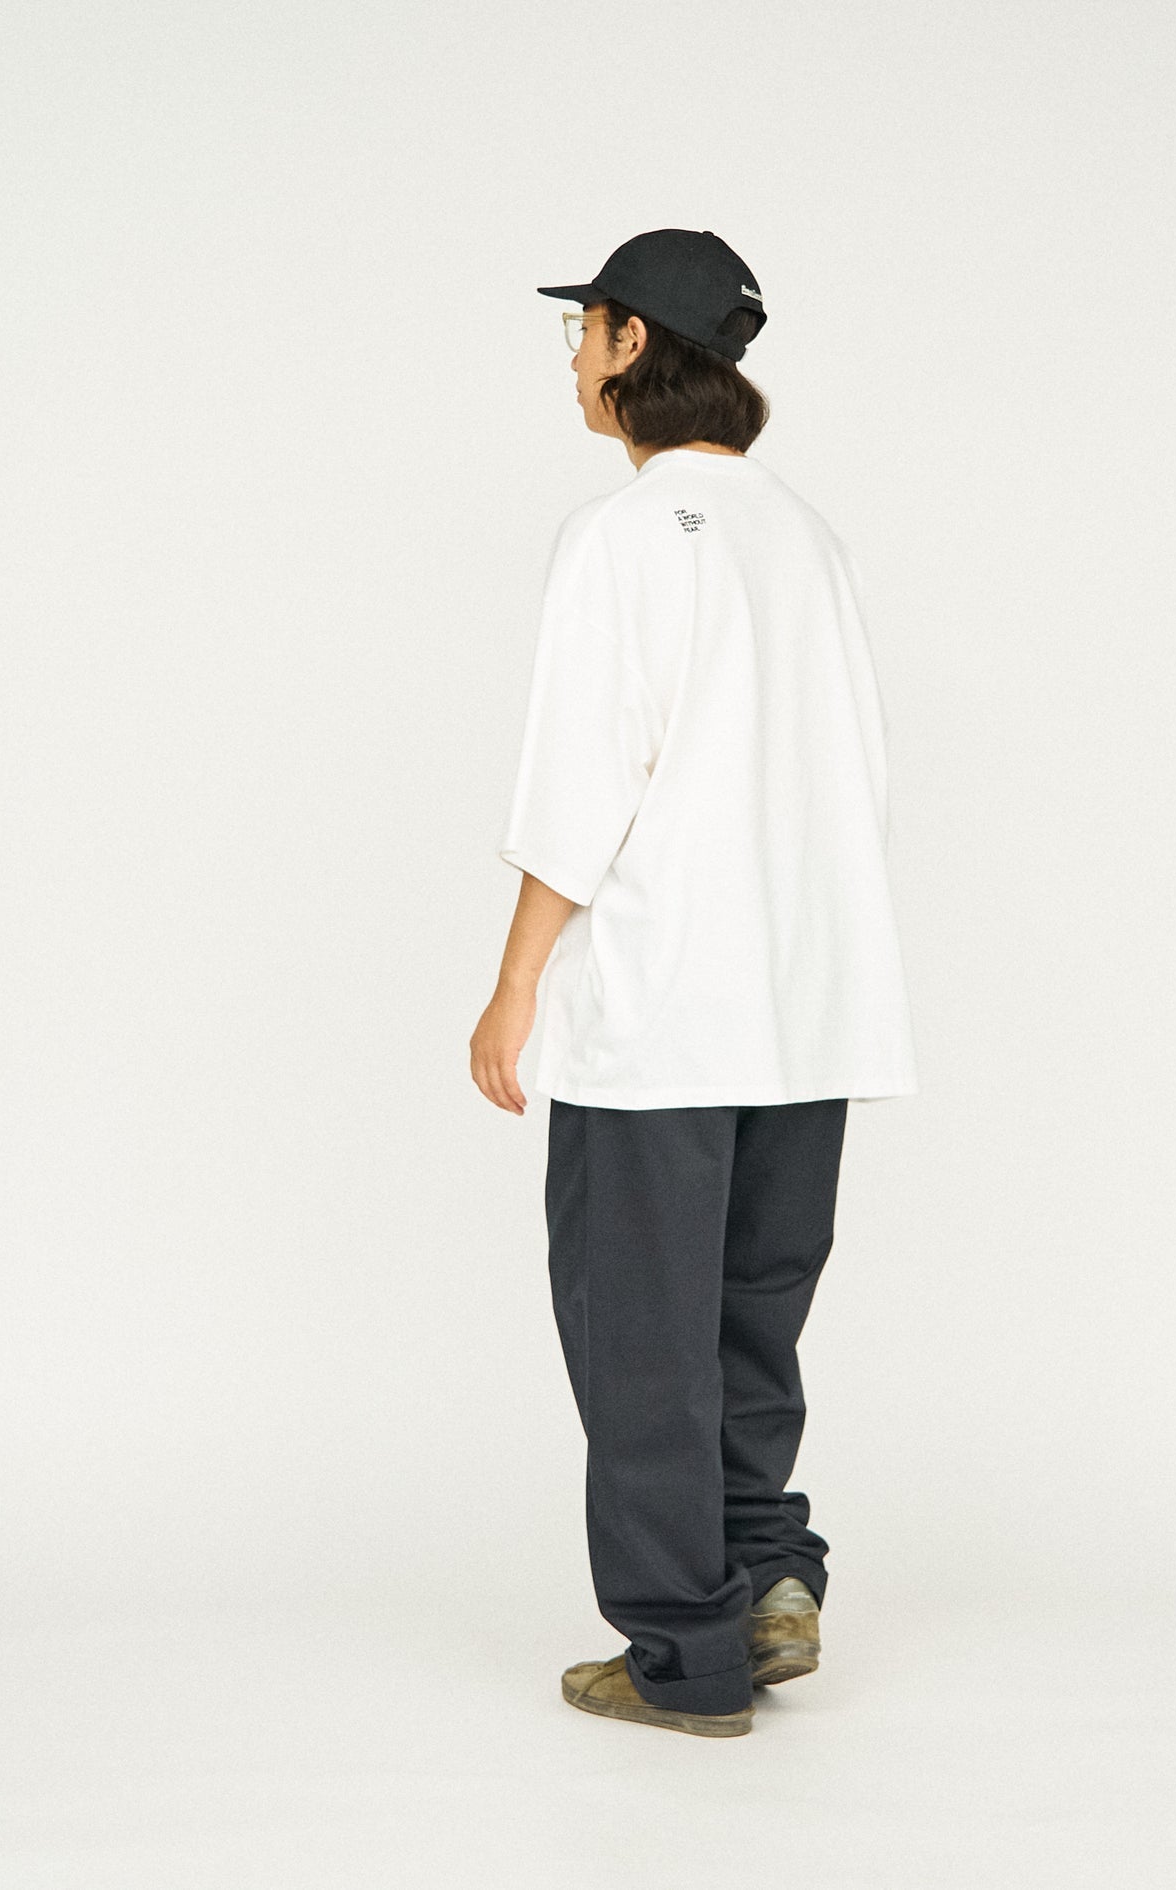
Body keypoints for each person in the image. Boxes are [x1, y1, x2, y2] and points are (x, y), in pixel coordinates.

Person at [469, 228, 917, 1738]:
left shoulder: (619, 539)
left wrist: (516, 984)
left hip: (666, 1013)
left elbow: (580, 788)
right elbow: (859, 773)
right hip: (812, 1004)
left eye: (584, 329)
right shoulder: (809, 538)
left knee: (640, 1335)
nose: (572, 358)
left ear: (632, 347)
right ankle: (770, 1572)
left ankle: (686, 1654)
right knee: (748, 1316)